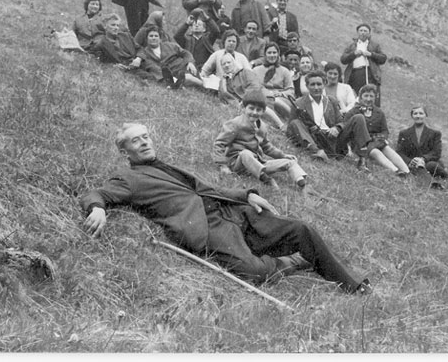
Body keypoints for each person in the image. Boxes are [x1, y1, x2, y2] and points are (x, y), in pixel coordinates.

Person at [80, 123, 370, 293]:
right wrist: (98, 208)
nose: (144, 143)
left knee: (301, 228)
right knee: (255, 273)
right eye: (135, 141)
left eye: (145, 137)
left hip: (233, 212)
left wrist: (247, 195)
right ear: (124, 151)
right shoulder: (128, 179)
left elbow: (206, 189)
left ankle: (352, 285)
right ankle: (292, 261)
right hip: (210, 229)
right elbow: (97, 193)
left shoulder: (166, 165)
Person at [213, 89, 308, 190]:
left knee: (290, 162)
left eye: (258, 110)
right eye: (251, 108)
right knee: (245, 153)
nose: (254, 112)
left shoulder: (262, 126)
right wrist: (223, 165)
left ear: (263, 111)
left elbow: (267, 147)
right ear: (243, 108)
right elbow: (219, 143)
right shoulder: (235, 124)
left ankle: (301, 183)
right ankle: (266, 179)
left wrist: (283, 155)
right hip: (238, 164)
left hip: (258, 163)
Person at [286, 70, 374, 165]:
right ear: (307, 86)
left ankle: (362, 160)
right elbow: (291, 128)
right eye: (312, 84)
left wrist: (337, 128)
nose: (316, 88)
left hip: (333, 139)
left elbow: (341, 121)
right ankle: (316, 151)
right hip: (315, 139)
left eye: (319, 84)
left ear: (324, 85)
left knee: (359, 117)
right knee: (295, 122)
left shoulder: (331, 100)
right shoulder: (299, 103)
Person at [345, 84, 410, 177]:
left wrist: (380, 138)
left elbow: (385, 131)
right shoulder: (353, 112)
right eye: (366, 96)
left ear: (375, 98)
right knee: (375, 151)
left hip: (376, 141)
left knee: (387, 148)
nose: (368, 99)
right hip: (360, 144)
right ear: (360, 97)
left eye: (371, 96)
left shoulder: (379, 112)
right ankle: (395, 171)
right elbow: (347, 129)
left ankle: (407, 171)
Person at [217, 54, 285, 129]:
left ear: (233, 62)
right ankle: (275, 125)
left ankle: (281, 125)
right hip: (242, 105)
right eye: (224, 64)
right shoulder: (223, 82)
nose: (226, 65)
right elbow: (222, 96)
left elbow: (254, 85)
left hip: (258, 95)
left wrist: (246, 98)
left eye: (228, 62)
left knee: (259, 104)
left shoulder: (244, 72)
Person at [396, 106, 448, 184]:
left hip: (429, 163)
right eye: (415, 113)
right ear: (412, 116)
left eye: (421, 113)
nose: (418, 116)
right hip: (413, 164)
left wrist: (423, 159)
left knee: (432, 165)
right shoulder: (404, 133)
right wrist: (411, 161)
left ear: (425, 115)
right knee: (417, 168)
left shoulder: (435, 133)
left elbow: (436, 152)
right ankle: (433, 184)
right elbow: (399, 152)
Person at [136, 27, 203, 89]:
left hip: (182, 67)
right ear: (147, 39)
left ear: (160, 39)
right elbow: (152, 68)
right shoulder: (145, 52)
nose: (153, 38)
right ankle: (180, 82)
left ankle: (201, 84)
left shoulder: (170, 46)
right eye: (151, 36)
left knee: (189, 76)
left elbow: (186, 53)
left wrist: (190, 62)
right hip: (170, 74)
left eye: (156, 36)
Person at [340, 24, 386, 106]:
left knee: (371, 95)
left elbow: (383, 59)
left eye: (365, 31)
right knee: (355, 97)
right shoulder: (352, 46)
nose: (363, 33)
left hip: (370, 74)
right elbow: (343, 59)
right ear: (357, 32)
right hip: (355, 75)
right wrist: (353, 54)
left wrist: (371, 54)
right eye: (361, 31)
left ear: (369, 33)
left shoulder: (375, 45)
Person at [252, 43, 295, 122]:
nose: (272, 55)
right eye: (269, 53)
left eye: (274, 53)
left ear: (278, 54)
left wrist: (281, 94)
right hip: (264, 97)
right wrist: (267, 93)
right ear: (265, 55)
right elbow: (254, 87)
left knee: (276, 102)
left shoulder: (284, 71)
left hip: (281, 98)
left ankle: (291, 119)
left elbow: (291, 90)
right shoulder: (256, 70)